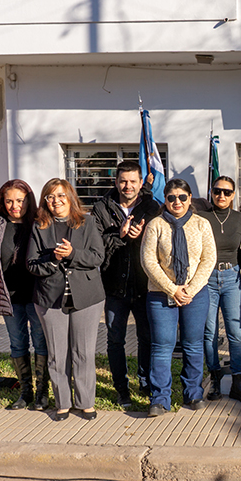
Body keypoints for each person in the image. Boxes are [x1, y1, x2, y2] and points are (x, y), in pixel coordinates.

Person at [27, 179, 105, 422]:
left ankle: (85, 402)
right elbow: (31, 264)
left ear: (70, 197)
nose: (56, 201)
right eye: (50, 197)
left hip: (87, 296)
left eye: (61, 195)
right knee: (57, 354)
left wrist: (72, 254)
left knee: (83, 352)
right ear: (45, 201)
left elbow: (97, 257)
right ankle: (62, 402)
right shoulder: (39, 226)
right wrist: (54, 259)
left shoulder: (88, 222)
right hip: (50, 298)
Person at [141, 179, 216, 417]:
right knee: (162, 346)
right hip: (160, 294)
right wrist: (172, 289)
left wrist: (190, 290)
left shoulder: (202, 224)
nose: (177, 202)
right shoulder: (155, 225)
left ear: (190, 198)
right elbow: (148, 261)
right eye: (171, 197)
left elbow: (208, 259)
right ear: (165, 200)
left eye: (182, 197)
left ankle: (193, 393)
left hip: (195, 293)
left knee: (193, 344)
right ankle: (160, 398)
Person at [91, 161, 161, 407]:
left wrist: (142, 237)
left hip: (145, 287)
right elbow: (95, 244)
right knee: (115, 339)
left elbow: (161, 242)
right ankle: (121, 388)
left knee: (147, 338)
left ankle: (145, 382)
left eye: (132, 181)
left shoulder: (152, 207)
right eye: (123, 181)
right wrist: (118, 236)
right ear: (116, 182)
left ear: (141, 183)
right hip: (114, 287)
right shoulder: (101, 207)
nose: (127, 186)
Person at [0, 179, 48, 411]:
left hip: (36, 295)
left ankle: (42, 393)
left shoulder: (40, 224)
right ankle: (25, 392)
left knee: (41, 342)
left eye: (20, 201)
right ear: (2, 202)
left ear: (28, 201)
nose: (15, 206)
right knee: (17, 343)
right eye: (9, 201)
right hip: (9, 296)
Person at [201, 176, 241, 404]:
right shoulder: (202, 218)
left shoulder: (239, 219)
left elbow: (238, 249)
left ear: (233, 195)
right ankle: (214, 379)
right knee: (210, 332)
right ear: (211, 193)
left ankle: (237, 383)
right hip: (207, 278)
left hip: (232, 277)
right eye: (217, 191)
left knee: (235, 331)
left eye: (226, 192)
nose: (221, 196)